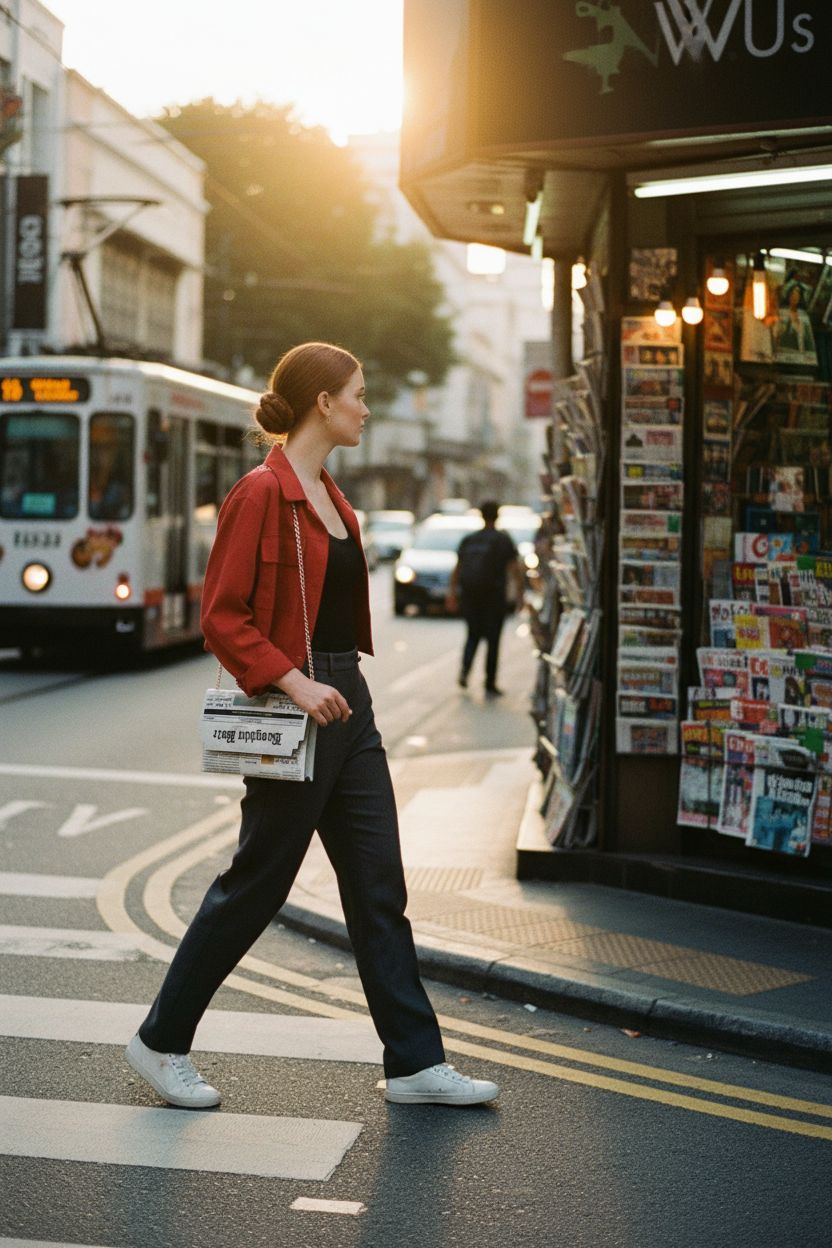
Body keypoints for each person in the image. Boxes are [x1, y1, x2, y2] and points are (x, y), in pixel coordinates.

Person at [125, 342, 498, 1109]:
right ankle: (160, 1041)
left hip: (347, 701)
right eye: (357, 393)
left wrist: (331, 683)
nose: (366, 406)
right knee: (257, 883)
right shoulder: (260, 493)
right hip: (295, 702)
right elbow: (222, 616)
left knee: (378, 883)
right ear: (322, 403)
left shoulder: (335, 496)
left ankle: (415, 1062)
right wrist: (293, 681)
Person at [446, 500, 525, 696]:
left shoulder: (470, 539)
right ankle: (490, 682)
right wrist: (520, 596)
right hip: (494, 597)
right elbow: (515, 570)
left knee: (472, 635)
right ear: (497, 516)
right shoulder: (503, 540)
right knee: (493, 640)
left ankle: (465, 671)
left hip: (471, 596)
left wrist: (452, 594)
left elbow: (457, 569)